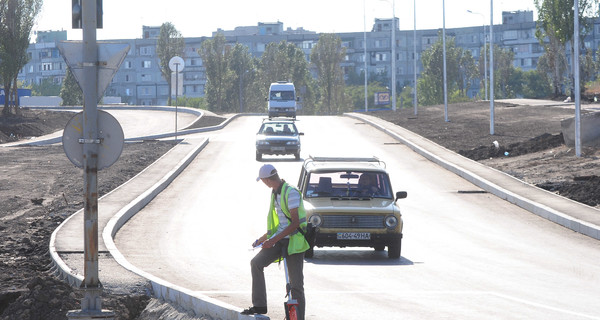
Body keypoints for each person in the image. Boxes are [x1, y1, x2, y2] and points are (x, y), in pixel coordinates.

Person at [242, 164, 309, 319]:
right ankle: (259, 305)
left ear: (266, 180)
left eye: (263, 181)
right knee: (256, 263)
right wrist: (263, 238)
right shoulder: (275, 193)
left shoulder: (290, 192)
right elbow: (279, 225)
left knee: (296, 285)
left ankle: (298, 318)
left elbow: (295, 224)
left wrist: (272, 241)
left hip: (294, 242)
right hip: (279, 240)